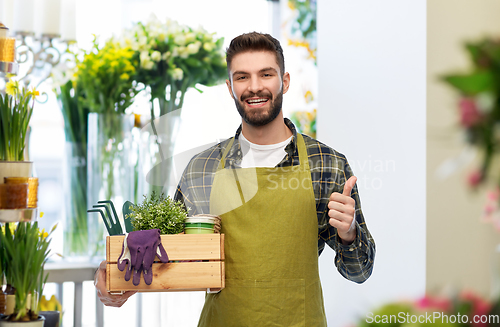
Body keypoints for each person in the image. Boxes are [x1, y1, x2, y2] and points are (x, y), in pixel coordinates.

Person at [94, 32, 375, 326]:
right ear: (230, 87)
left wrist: (349, 232)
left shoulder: (326, 164)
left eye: (266, 74)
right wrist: (115, 274)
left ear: (285, 81)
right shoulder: (202, 169)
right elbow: (167, 256)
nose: (254, 87)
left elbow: (359, 272)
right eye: (242, 77)